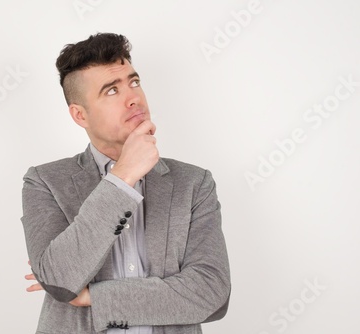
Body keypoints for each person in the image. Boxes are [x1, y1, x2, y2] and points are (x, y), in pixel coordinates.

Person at [21, 32, 230, 333]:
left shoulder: (194, 183)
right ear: (80, 115)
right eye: (111, 91)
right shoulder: (44, 182)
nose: (133, 97)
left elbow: (211, 294)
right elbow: (60, 280)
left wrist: (94, 296)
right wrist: (123, 177)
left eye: (134, 82)